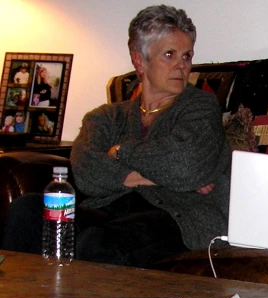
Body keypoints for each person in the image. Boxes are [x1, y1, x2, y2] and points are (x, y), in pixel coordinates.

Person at [3, 5, 231, 268]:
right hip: (109, 210)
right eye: (170, 55)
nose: (182, 65)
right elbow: (87, 173)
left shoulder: (201, 107)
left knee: (99, 242)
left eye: (187, 55)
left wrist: (120, 151)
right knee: (28, 210)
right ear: (139, 60)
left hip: (180, 216)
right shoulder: (105, 117)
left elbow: (184, 165)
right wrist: (156, 176)